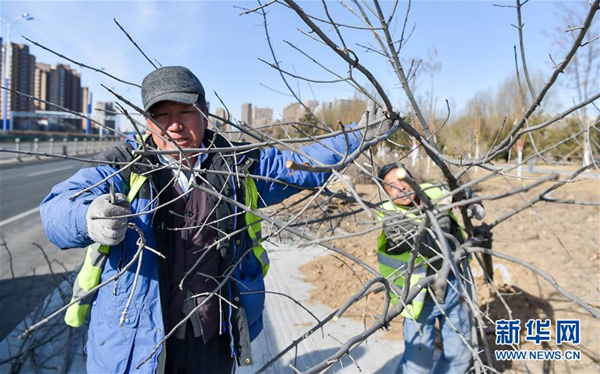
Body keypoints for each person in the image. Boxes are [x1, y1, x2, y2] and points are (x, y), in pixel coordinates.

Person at [40, 66, 395, 374]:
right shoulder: (123, 165)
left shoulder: (237, 166)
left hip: (212, 336)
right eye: (162, 115)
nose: (175, 126)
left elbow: (301, 166)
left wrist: (359, 135)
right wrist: (87, 217)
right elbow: (57, 208)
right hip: (136, 342)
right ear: (148, 122)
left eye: (186, 112)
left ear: (205, 114)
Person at [375, 163, 489, 374]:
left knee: (460, 357)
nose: (400, 188)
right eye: (391, 186)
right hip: (419, 298)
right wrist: (443, 214)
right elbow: (433, 244)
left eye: (402, 180)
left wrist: (471, 201)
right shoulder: (390, 217)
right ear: (386, 194)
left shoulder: (432, 190)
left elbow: (458, 190)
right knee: (418, 367)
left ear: (412, 180)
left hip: (454, 286)